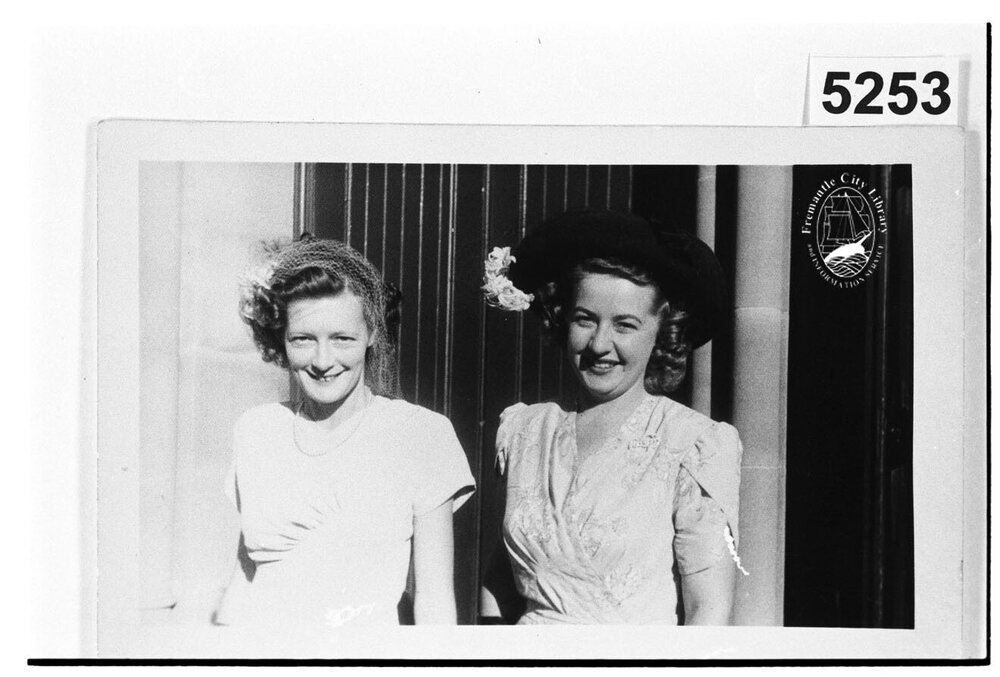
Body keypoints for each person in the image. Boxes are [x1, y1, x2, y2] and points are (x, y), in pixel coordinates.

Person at [479, 210, 746, 625]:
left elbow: (707, 610)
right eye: (585, 319)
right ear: (562, 320)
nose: (600, 344)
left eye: (625, 325)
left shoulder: (692, 443)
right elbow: (502, 579)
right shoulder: (525, 431)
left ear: (663, 331)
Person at [215, 235, 475, 631]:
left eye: (342, 338)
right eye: (303, 339)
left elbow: (435, 600)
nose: (323, 361)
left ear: (372, 333)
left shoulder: (420, 434)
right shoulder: (257, 429)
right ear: (281, 340)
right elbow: (245, 574)